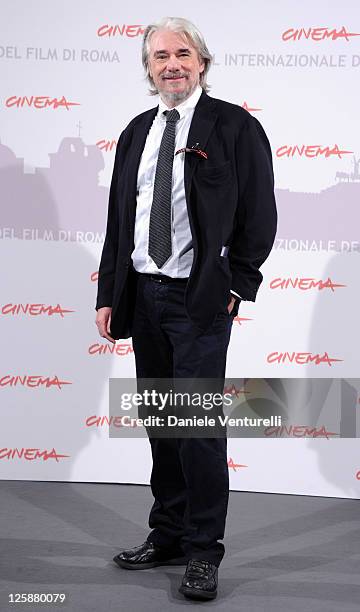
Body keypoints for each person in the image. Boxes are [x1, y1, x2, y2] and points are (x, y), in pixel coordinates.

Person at [95, 16, 277, 601]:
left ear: (201, 61)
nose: (170, 64)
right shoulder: (136, 131)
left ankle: (204, 553)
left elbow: (259, 213)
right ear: (149, 69)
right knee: (161, 424)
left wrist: (238, 283)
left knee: (196, 428)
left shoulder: (234, 126)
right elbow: (120, 218)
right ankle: (167, 535)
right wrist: (109, 293)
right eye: (159, 57)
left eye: (181, 53)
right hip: (143, 294)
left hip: (197, 300)